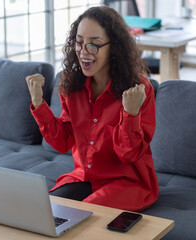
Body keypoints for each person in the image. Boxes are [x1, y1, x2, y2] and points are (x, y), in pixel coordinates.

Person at [25, 6, 158, 211]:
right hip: (85, 177)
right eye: (79, 42)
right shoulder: (72, 86)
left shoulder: (139, 90)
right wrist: (38, 103)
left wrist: (130, 114)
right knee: (43, 210)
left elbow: (129, 155)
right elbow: (63, 141)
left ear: (114, 47)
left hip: (127, 182)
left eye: (94, 45)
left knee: (81, 217)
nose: (83, 51)